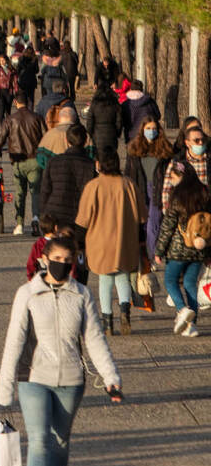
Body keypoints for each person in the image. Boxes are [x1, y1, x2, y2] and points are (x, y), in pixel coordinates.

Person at [0, 235, 123, 466]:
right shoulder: (27, 294)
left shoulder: (81, 294)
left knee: (60, 441)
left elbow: (94, 338)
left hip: (71, 378)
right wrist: (5, 388)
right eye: (56, 259)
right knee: (39, 439)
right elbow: (14, 341)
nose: (61, 265)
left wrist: (110, 377)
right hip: (34, 377)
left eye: (67, 260)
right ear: (44, 260)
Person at [75, 148, 146, 335]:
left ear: (99, 164)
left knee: (105, 279)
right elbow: (141, 216)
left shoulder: (93, 186)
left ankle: (107, 320)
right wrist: (141, 240)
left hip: (100, 241)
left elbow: (83, 220)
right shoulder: (128, 184)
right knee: (122, 276)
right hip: (125, 239)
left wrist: (79, 243)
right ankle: (125, 311)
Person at [154, 168, 209, 337]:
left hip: (178, 249)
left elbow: (168, 226)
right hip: (198, 249)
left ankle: (182, 309)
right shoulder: (204, 194)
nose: (172, 180)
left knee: (170, 280)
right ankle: (191, 325)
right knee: (190, 284)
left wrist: (159, 250)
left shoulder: (178, 196)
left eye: (173, 177)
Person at [0, 92, 48, 235]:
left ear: (15, 102)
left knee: (20, 192)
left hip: (18, 160)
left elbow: (1, 139)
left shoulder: (10, 119)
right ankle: (36, 219)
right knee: (36, 192)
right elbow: (46, 136)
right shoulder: (37, 118)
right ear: (28, 102)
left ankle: (19, 223)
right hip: (35, 160)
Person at [125, 120, 172, 255]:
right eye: (148, 128)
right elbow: (129, 171)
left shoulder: (164, 148)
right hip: (140, 187)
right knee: (144, 223)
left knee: (154, 222)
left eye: (154, 128)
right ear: (142, 130)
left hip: (158, 188)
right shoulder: (134, 148)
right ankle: (146, 254)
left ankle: (153, 255)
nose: (151, 131)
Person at [40, 125, 98, 228]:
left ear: (67, 140)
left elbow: (45, 190)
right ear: (85, 141)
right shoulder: (90, 165)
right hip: (80, 216)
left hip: (55, 214)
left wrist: (43, 214)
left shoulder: (54, 161)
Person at [0, 55, 18, 125]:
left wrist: (16, 93)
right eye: (0, 61)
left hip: (9, 92)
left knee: (8, 112)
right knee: (1, 111)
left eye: (3, 60)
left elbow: (15, 82)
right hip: (1, 92)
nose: (2, 62)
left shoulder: (12, 70)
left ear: (6, 60)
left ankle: (8, 127)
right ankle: (2, 127)